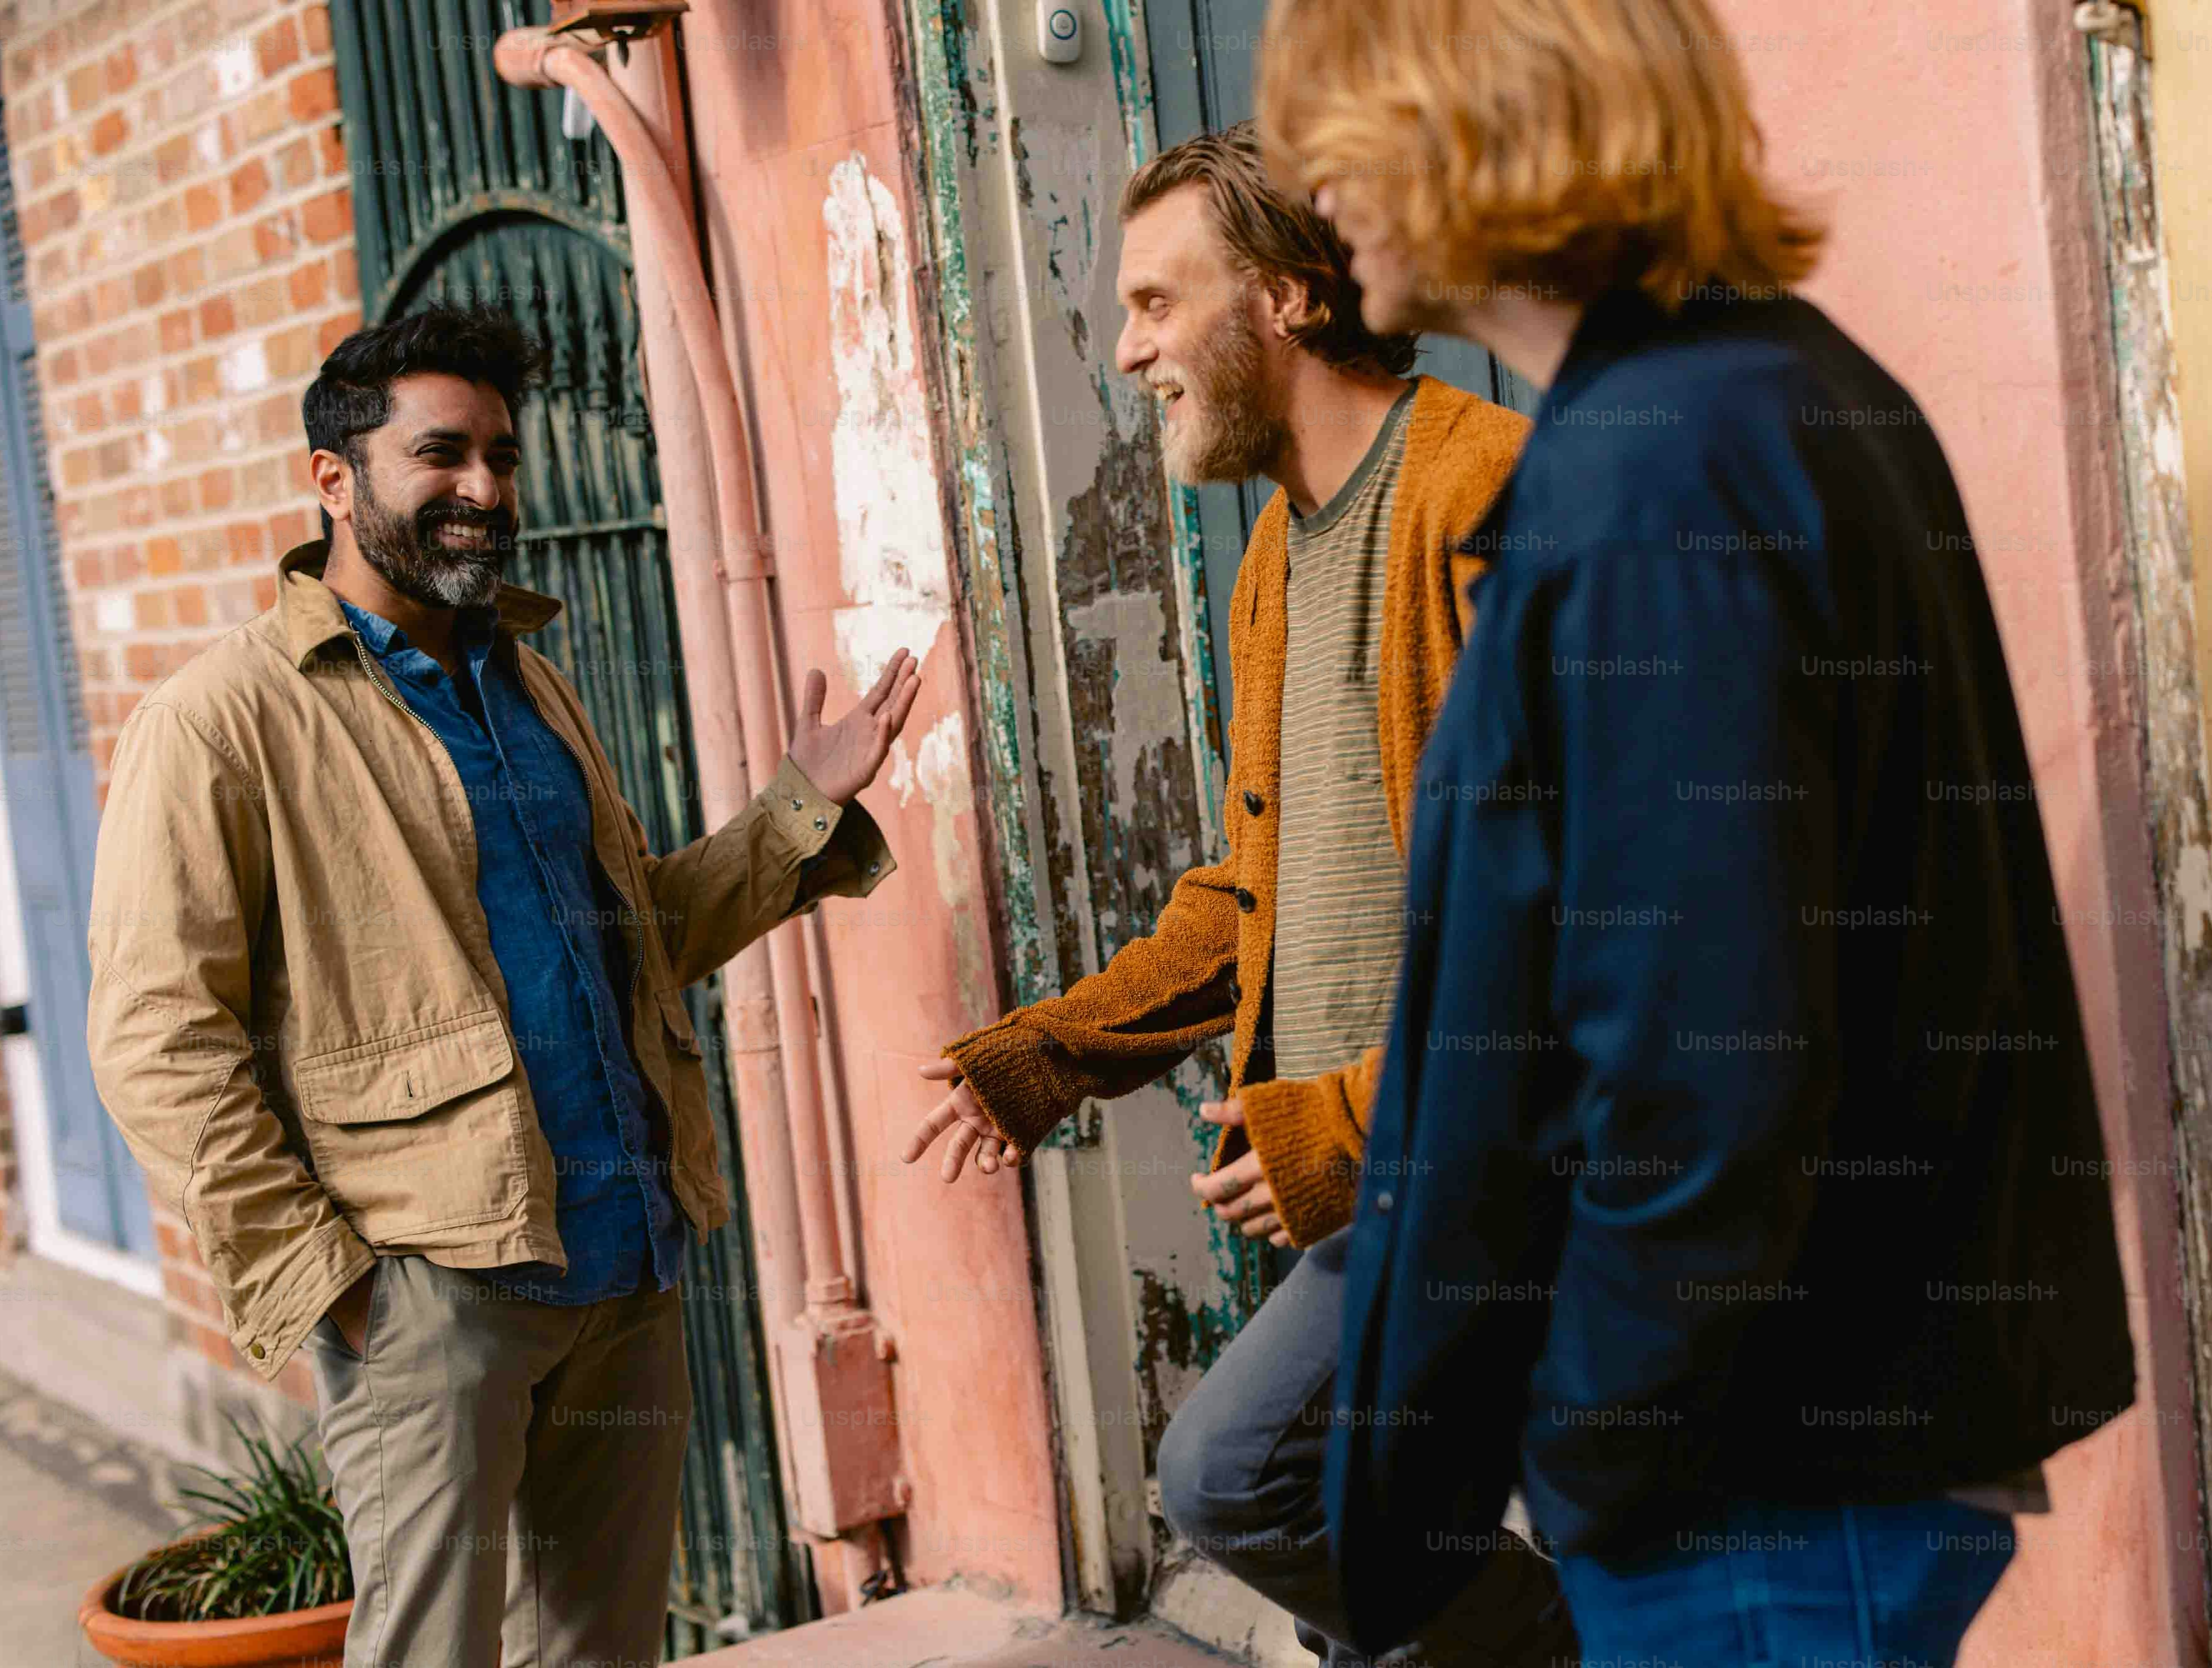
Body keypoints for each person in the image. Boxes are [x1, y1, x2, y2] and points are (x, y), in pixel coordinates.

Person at [1252, 1, 2140, 1662]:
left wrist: (1592, 1446)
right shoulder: (1738, 402)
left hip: (1756, 1490)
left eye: (1340, 136)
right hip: (1789, 1461)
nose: (1315, 187)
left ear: (1470, 131)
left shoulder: (1667, 471)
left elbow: (1707, 1056)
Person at [86, 303, 916, 1666]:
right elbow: (156, 1038)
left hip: (625, 1264)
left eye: (500, 454)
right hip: (437, 1292)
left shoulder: (523, 680)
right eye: (442, 453)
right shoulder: (222, 717)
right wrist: (331, 1279)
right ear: (334, 478)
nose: (484, 487)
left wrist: (792, 813)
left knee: (599, 1652)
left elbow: (623, 938)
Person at [901, 126, 1569, 1666]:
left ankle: (1556, 1636)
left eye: (1153, 302)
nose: (1128, 350)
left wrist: (1347, 1127)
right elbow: (1245, 897)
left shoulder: (1484, 493)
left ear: (1278, 299)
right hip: (1377, 1181)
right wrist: (1047, 1057)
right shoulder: (1276, 551)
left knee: (1233, 1471)